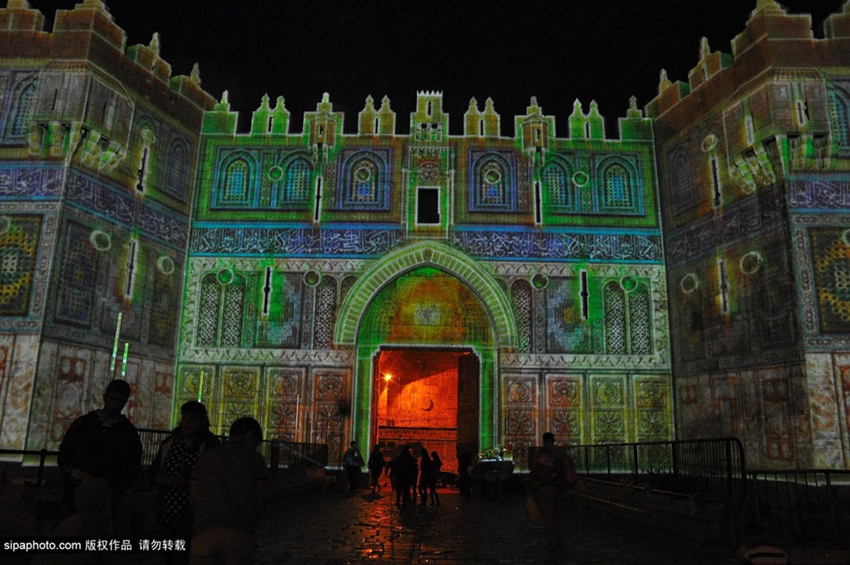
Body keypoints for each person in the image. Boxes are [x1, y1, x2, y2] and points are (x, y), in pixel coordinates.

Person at [189, 416, 268, 565]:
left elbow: (193, 496)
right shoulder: (255, 458)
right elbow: (260, 498)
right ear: (250, 436)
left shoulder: (206, 456)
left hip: (203, 535)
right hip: (238, 535)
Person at [58, 379, 143, 518]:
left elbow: (132, 465)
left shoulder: (127, 432)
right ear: (105, 397)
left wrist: (115, 490)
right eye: (113, 399)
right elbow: (65, 454)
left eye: (121, 401)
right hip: (78, 492)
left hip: (107, 497)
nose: (116, 405)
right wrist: (73, 473)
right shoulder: (83, 424)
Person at [149, 401, 219, 565]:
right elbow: (153, 471)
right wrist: (164, 479)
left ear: (202, 422)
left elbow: (213, 478)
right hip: (168, 513)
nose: (187, 423)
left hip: (194, 516)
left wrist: (188, 482)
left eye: (192, 419)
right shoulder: (169, 444)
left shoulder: (209, 446)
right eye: (185, 418)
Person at [527, 432, 576, 559]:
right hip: (561, 488)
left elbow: (534, 470)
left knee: (548, 517)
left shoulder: (541, 452)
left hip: (546, 488)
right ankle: (559, 540)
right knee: (559, 515)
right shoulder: (561, 452)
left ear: (544, 441)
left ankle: (552, 542)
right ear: (554, 440)